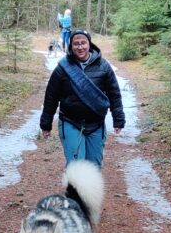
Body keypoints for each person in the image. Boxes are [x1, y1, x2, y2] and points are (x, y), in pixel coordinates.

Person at [40, 29, 125, 168]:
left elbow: (114, 94)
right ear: (71, 46)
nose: (80, 47)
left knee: (94, 167)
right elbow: (51, 97)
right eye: (76, 44)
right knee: (76, 167)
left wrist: (118, 119)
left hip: (96, 124)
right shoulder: (63, 68)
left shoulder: (103, 66)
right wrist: (46, 124)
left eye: (83, 43)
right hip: (70, 122)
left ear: (89, 44)